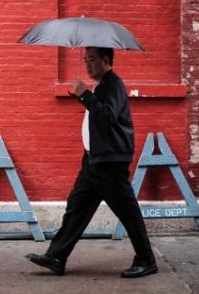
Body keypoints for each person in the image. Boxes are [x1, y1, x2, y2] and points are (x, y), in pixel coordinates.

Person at [26, 47, 157, 278]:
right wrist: (86, 96)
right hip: (93, 161)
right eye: (86, 60)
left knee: (127, 212)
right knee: (76, 208)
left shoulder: (113, 84)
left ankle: (146, 260)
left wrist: (85, 95)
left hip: (110, 162)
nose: (88, 65)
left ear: (106, 60)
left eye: (93, 60)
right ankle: (56, 257)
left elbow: (108, 116)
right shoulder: (101, 86)